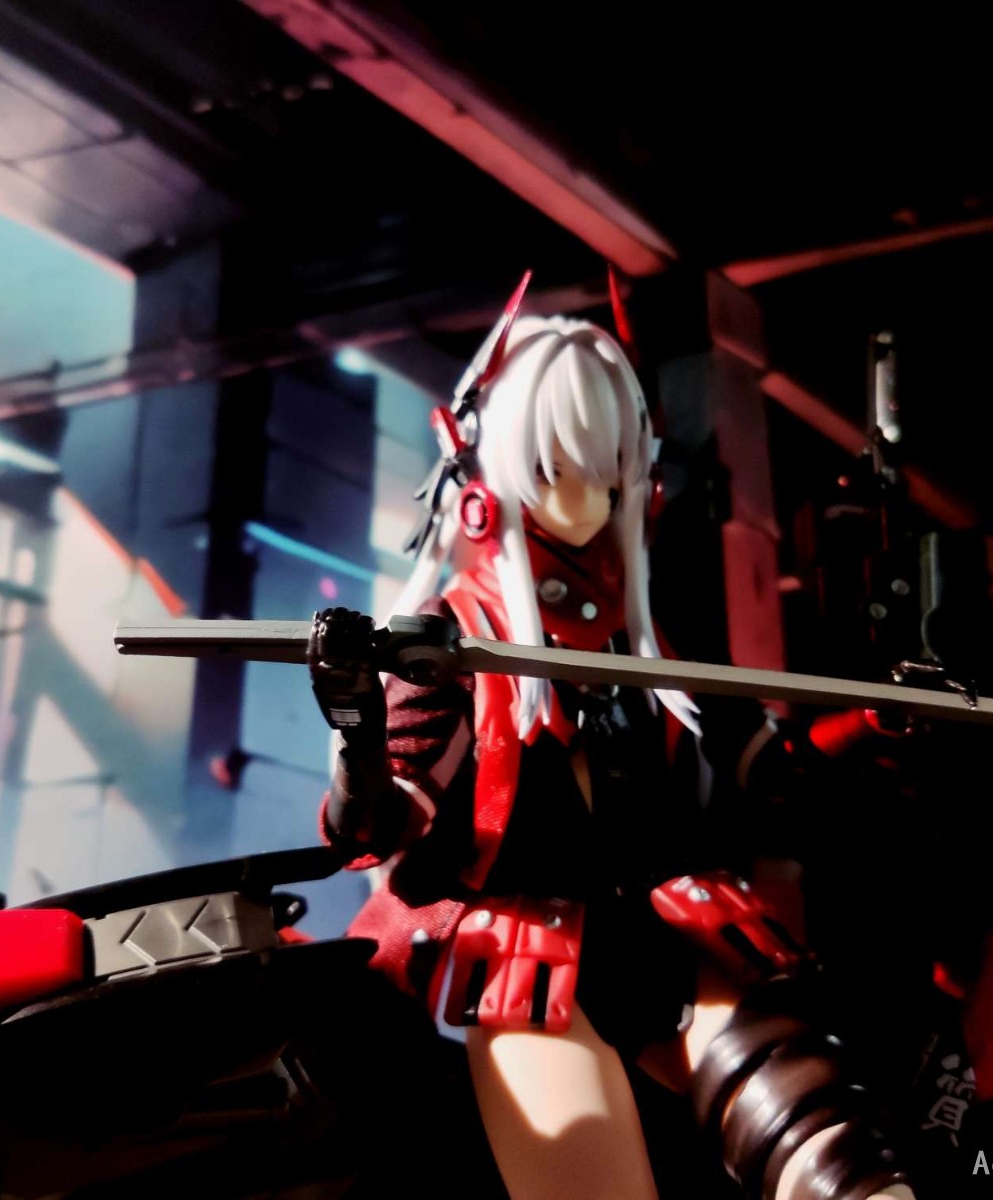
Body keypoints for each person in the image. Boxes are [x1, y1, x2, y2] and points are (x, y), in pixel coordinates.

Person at [307, 311, 915, 1200]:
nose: (585, 503)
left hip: (655, 933)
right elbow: (377, 827)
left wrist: (870, 723)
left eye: (607, 474)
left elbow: (763, 770)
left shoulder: (647, 641)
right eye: (557, 471)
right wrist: (358, 732)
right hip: (516, 954)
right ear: (486, 482)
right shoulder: (453, 636)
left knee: (834, 1156)